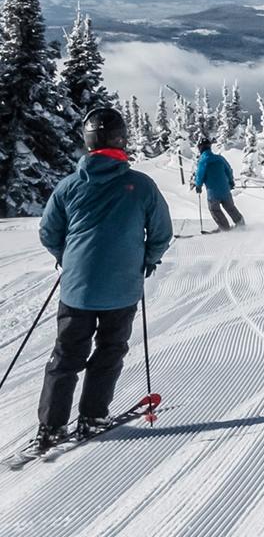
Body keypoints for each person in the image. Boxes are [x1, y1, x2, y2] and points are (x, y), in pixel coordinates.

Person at [33, 105, 173, 451]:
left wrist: (69, 259)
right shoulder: (141, 186)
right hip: (122, 289)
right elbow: (161, 234)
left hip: (77, 289)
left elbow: (49, 232)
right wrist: (146, 261)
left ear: (89, 143)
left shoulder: (68, 187)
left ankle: (51, 426)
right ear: (121, 141)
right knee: (109, 351)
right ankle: (92, 417)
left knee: (66, 355)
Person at [194, 138, 245, 230]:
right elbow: (228, 170)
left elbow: (199, 175)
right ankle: (240, 224)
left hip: (213, 192)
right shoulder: (220, 158)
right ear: (210, 147)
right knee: (230, 207)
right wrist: (231, 182)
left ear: (200, 148)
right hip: (225, 189)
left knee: (214, 209)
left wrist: (198, 186)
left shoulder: (203, 161)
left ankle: (225, 228)